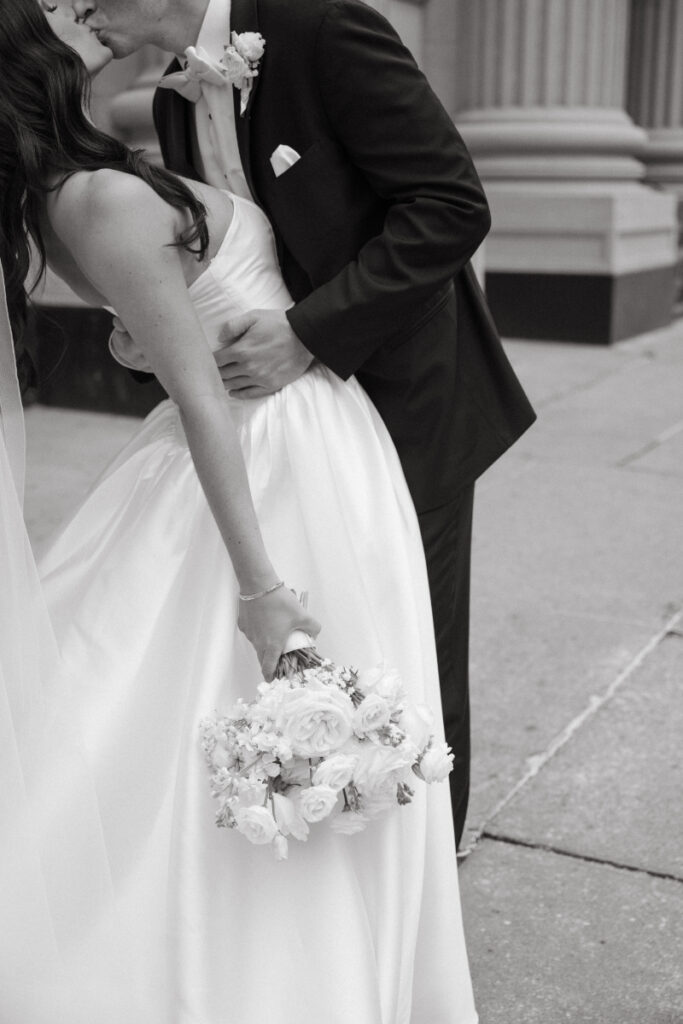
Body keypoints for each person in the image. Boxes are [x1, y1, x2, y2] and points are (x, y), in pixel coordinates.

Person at [0, 2, 478, 1021]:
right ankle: (309, 953)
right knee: (308, 682)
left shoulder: (294, 39)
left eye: (86, 1)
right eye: (57, 14)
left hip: (365, 403)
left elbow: (445, 202)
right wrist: (261, 586)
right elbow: (195, 372)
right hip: (271, 449)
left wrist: (285, 330)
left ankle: (371, 925)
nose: (77, 7)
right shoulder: (105, 184)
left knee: (377, 671)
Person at [77, 0, 537, 847]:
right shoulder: (178, 98)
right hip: (285, 422)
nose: (74, 9)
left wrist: (308, 334)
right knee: (334, 626)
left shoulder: (323, 29)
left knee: (418, 651)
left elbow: (448, 204)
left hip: (407, 396)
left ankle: (429, 876)